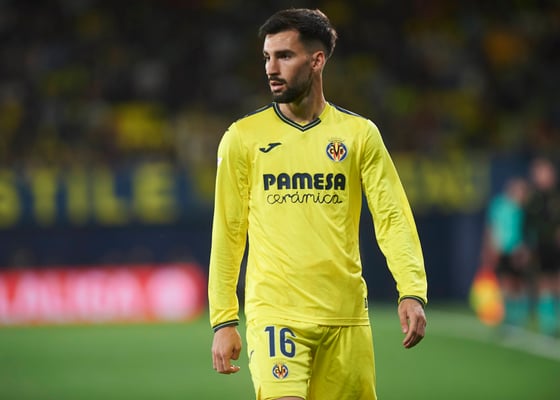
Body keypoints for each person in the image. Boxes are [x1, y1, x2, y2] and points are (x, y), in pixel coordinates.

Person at [208, 8, 428, 400]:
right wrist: (224, 319)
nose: (271, 68)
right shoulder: (243, 138)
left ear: (317, 60)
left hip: (346, 318)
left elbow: (392, 216)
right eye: (267, 57)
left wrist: (411, 289)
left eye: (284, 56)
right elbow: (228, 232)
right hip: (276, 315)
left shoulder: (359, 135)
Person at [481, 177, 531, 328]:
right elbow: (491, 228)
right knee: (505, 284)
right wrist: (490, 249)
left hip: (517, 252)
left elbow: (527, 232)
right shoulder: (498, 205)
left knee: (518, 285)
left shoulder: (523, 209)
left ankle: (518, 319)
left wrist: (524, 250)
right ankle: (508, 319)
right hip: (501, 251)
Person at [524, 157, 560, 336]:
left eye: (544, 172)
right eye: (538, 173)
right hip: (541, 247)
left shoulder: (556, 196)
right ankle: (548, 325)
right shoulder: (533, 199)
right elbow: (528, 224)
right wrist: (526, 246)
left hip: (556, 247)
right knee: (544, 283)